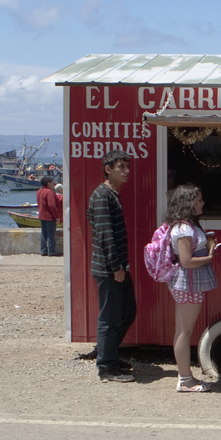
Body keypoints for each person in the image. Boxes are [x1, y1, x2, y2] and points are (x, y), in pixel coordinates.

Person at [86, 149, 136, 383]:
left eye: (127, 167)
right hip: (109, 269)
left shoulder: (111, 194)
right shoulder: (102, 195)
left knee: (127, 311)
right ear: (108, 169)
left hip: (118, 267)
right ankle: (107, 367)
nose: (126, 171)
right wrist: (116, 267)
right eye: (121, 167)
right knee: (109, 318)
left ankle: (109, 354)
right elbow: (105, 235)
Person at [164, 185, 218, 392]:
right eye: (198, 200)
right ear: (188, 203)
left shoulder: (182, 226)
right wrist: (209, 257)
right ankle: (185, 379)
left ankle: (184, 376)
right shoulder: (184, 228)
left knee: (182, 330)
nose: (202, 203)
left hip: (186, 281)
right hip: (188, 281)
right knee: (184, 331)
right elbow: (186, 261)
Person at [36, 176, 62, 257]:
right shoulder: (49, 192)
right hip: (50, 216)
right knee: (51, 234)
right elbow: (52, 205)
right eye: (52, 182)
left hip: (42, 215)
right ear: (48, 183)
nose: (54, 184)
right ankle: (51, 251)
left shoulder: (39, 191)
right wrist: (57, 216)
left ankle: (43, 250)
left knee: (44, 233)